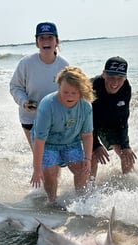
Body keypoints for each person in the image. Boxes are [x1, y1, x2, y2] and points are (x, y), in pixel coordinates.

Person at [30, 66, 94, 204]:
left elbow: (88, 135)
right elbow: (40, 140)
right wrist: (36, 169)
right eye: (65, 92)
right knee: (50, 174)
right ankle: (52, 202)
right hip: (47, 143)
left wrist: (88, 159)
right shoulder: (48, 105)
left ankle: (82, 203)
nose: (69, 96)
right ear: (59, 87)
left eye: (74, 92)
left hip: (71, 142)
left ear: (82, 91)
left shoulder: (86, 106)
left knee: (82, 169)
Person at [10, 22, 69, 148]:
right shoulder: (26, 63)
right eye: (42, 38)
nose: (46, 41)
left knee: (53, 159)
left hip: (55, 120)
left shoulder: (64, 65)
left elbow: (70, 92)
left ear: (56, 41)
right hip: (30, 119)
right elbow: (15, 87)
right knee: (42, 159)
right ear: (37, 42)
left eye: (50, 37)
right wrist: (24, 102)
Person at [90, 56, 137, 179]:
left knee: (126, 154)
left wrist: (125, 146)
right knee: (93, 154)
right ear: (104, 74)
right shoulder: (92, 88)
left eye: (120, 78)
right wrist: (96, 145)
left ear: (125, 78)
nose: (115, 83)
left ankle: (129, 186)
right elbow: (86, 121)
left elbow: (123, 119)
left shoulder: (126, 88)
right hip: (88, 124)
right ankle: (87, 192)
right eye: (111, 77)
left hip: (109, 122)